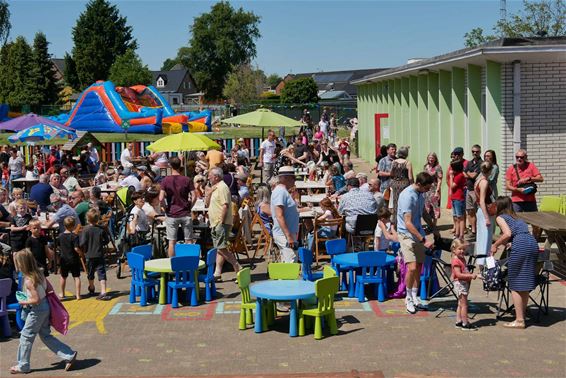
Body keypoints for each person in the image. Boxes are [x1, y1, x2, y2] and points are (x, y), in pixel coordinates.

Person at [10, 249, 77, 374]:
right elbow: (48, 289)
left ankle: (23, 365)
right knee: (45, 335)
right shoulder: (39, 273)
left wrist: (23, 302)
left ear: (23, 264)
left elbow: (35, 299)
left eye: (18, 263)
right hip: (45, 306)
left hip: (37, 310)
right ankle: (69, 354)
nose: (17, 265)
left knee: (26, 336)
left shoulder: (29, 280)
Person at [491, 196, 539, 329]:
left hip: (520, 245)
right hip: (531, 243)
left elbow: (507, 234)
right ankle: (521, 316)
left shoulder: (500, 217)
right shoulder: (517, 217)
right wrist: (512, 242)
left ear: (499, 206)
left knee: (515, 283)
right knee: (524, 281)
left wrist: (495, 245)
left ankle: (519, 320)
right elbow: (520, 233)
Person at [396, 172, 439, 314]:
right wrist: (423, 239)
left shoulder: (421, 194)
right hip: (406, 234)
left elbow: (423, 214)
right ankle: (407, 297)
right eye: (427, 187)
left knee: (419, 267)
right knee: (412, 268)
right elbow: (407, 223)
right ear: (419, 184)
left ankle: (415, 296)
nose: (428, 190)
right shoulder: (407, 196)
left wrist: (434, 228)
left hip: (418, 233)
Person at [205, 167, 240, 281]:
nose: (208, 178)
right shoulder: (215, 188)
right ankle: (217, 272)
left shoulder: (222, 187)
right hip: (215, 222)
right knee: (220, 247)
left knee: (221, 248)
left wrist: (221, 220)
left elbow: (225, 205)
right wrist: (208, 193)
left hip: (221, 222)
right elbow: (207, 204)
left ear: (216, 176)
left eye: (210, 176)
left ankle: (238, 267)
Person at [159, 157, 197, 257]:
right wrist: (190, 207)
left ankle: (172, 265)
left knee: (172, 242)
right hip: (185, 212)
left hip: (172, 213)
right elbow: (194, 196)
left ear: (170, 166)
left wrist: (165, 208)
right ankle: (189, 264)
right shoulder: (187, 179)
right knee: (189, 240)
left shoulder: (165, 180)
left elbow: (161, 198)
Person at [271, 166, 300, 263]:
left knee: (287, 262)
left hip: (286, 234)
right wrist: (289, 236)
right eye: (293, 178)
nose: (294, 181)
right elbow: (279, 215)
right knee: (290, 261)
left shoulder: (283, 191)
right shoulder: (280, 192)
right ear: (285, 178)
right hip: (284, 235)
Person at [80, 209, 110, 300]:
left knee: (90, 272)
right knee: (102, 272)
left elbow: (82, 243)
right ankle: (103, 291)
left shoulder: (85, 230)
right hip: (99, 254)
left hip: (89, 255)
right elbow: (107, 240)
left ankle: (92, 287)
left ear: (87, 219)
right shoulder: (101, 229)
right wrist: (101, 243)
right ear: (97, 219)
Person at [450, 238, 479, 330]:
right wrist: (470, 276)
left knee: (460, 304)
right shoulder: (456, 260)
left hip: (463, 283)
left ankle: (458, 321)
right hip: (460, 284)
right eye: (460, 249)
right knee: (464, 304)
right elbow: (458, 274)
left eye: (464, 249)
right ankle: (465, 323)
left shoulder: (461, 259)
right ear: (454, 250)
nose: (462, 251)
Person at [505, 149, 543, 213]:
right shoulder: (511, 168)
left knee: (534, 219)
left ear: (525, 157)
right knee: (516, 220)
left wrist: (529, 178)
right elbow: (507, 186)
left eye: (521, 157)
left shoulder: (531, 166)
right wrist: (518, 190)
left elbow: (541, 179)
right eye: (517, 157)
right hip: (516, 201)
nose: (519, 159)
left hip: (530, 200)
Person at [475, 162, 495, 267]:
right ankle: (485, 264)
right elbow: (482, 200)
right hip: (484, 212)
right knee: (486, 239)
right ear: (490, 170)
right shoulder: (484, 182)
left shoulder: (478, 180)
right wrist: (487, 217)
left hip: (480, 211)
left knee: (482, 238)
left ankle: (483, 263)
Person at [58, 216, 83, 300]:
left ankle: (62, 293)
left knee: (63, 276)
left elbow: (58, 246)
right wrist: (81, 253)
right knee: (76, 277)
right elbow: (76, 248)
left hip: (64, 259)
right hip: (73, 259)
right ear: (74, 226)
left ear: (64, 225)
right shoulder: (74, 236)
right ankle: (78, 295)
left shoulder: (60, 236)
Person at [390, 146, 413, 225]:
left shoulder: (394, 162)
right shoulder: (407, 163)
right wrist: (412, 186)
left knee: (395, 203)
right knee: (405, 203)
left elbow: (391, 174)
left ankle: (395, 222)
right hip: (404, 184)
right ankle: (405, 222)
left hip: (395, 184)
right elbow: (410, 177)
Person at [463, 145, 482, 238]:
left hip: (476, 191)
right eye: (473, 151)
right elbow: (464, 173)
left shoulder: (481, 163)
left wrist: (468, 174)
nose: (475, 153)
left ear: (480, 152)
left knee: (478, 211)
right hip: (468, 189)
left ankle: (479, 231)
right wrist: (469, 174)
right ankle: (473, 231)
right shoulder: (469, 162)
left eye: (477, 151)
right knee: (470, 211)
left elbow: (474, 176)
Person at [423, 152, 443, 226]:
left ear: (435, 159)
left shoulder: (438, 167)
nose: (431, 159)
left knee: (435, 207)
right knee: (427, 207)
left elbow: (440, 180)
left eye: (432, 158)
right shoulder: (425, 166)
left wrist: (437, 191)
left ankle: (434, 225)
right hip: (426, 190)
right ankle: (429, 224)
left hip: (434, 190)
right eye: (430, 157)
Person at [450, 159, 467, 240]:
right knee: (456, 217)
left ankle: (461, 235)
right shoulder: (456, 175)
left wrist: (450, 176)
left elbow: (452, 186)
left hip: (458, 198)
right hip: (454, 197)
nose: (451, 170)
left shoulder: (459, 175)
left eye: (452, 168)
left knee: (460, 217)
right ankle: (457, 234)